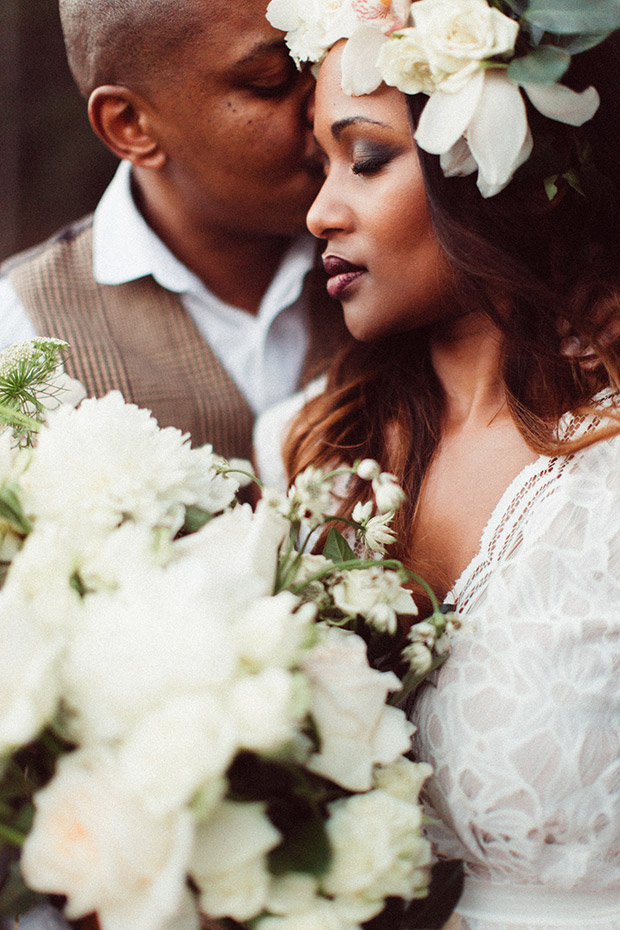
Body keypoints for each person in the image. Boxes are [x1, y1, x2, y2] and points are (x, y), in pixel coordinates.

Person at [257, 1, 620, 928]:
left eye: (367, 157)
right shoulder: (308, 453)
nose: (320, 210)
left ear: (487, 171)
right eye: (320, 165)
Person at [0, 0, 345, 459]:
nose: (327, 105)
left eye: (324, 60)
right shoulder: (19, 334)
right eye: (273, 81)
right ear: (130, 126)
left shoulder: (421, 266)